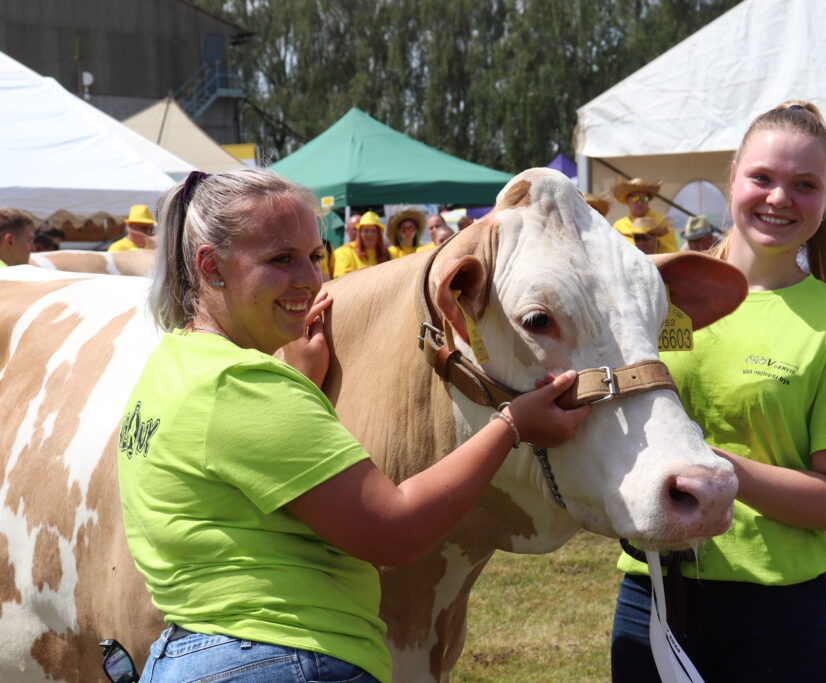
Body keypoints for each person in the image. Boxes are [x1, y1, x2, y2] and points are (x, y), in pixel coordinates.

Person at [121, 168, 588, 682]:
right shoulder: (244, 387)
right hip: (281, 661)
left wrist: (296, 378)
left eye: (314, 256)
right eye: (281, 259)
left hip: (198, 655)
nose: (310, 279)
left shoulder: (173, 365)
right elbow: (394, 532)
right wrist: (511, 427)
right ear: (211, 266)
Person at [610, 101, 826, 682]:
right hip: (650, 596)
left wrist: (712, 469)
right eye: (762, 178)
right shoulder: (656, 295)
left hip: (775, 618)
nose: (778, 197)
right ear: (732, 178)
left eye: (804, 184)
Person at [611, 177, 679, 253]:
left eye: (645, 199)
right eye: (635, 199)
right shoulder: (618, 226)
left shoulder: (662, 224)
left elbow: (673, 253)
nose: (640, 202)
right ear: (627, 200)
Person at [333, 211, 391, 276]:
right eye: (366, 230)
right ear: (359, 233)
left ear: (379, 234)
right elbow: (340, 278)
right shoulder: (345, 252)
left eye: (374, 231)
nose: (370, 234)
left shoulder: (387, 253)